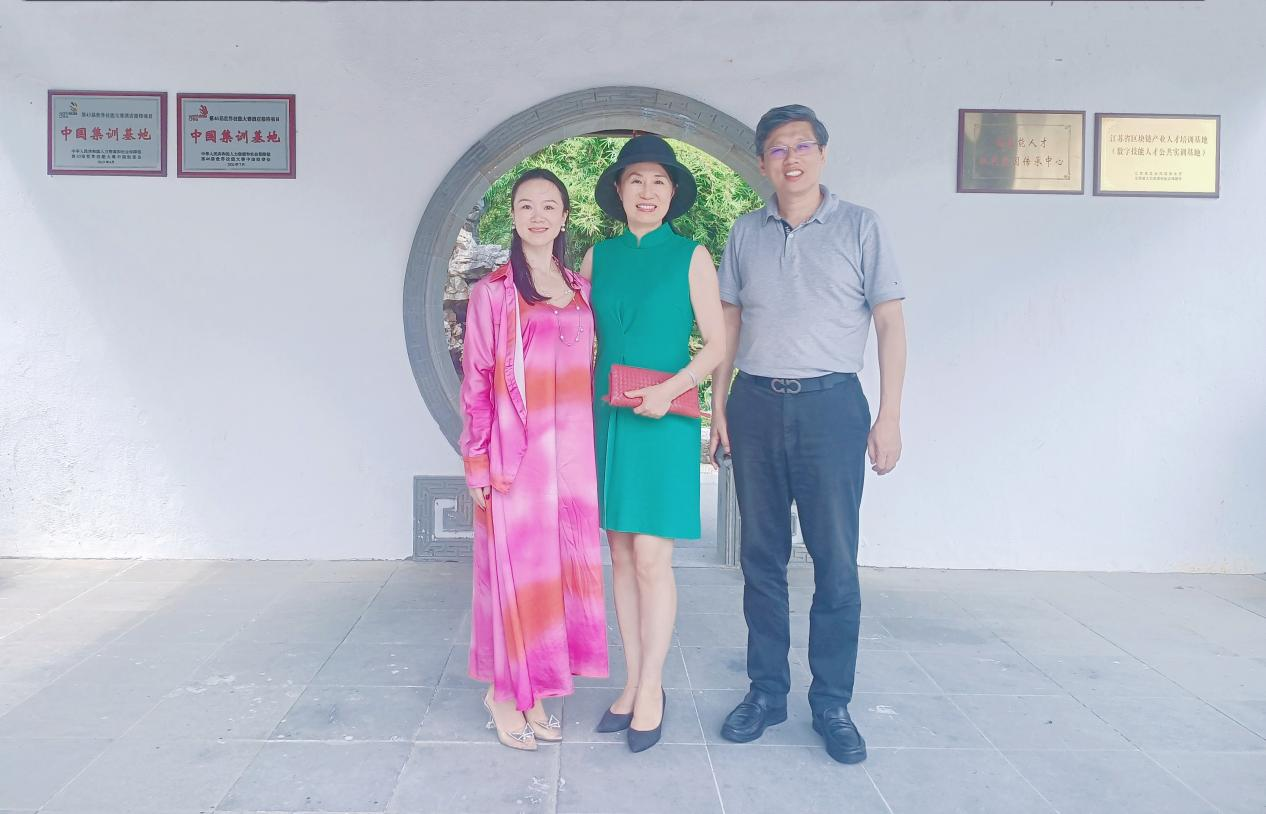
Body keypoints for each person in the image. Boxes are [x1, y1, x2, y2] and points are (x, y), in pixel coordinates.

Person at [710, 105, 908, 765]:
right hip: (756, 404)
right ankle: (766, 692)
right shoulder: (745, 231)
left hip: (832, 407)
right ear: (763, 161)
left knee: (835, 561)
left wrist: (889, 415)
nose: (790, 158)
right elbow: (729, 323)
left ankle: (832, 704)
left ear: (822, 153)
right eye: (776, 148)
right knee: (760, 558)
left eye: (801, 146)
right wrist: (718, 406)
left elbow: (890, 323)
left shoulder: (861, 226)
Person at [580, 135, 725, 753]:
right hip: (606, 415)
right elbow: (572, 334)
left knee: (650, 559)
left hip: (664, 417)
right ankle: (632, 681)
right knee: (618, 555)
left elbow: (718, 345)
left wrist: (671, 390)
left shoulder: (692, 255)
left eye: (659, 181)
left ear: (672, 193)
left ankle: (651, 687)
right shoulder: (598, 256)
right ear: (619, 190)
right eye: (635, 180)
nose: (647, 191)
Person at [459, 168, 608, 751]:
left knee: (556, 578)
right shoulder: (494, 292)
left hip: (572, 457)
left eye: (549, 205)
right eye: (526, 205)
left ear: (564, 217)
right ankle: (504, 693)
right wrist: (476, 461)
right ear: (514, 216)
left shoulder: (580, 288)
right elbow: (477, 380)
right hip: (518, 457)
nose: (538, 215)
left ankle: (537, 688)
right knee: (518, 576)